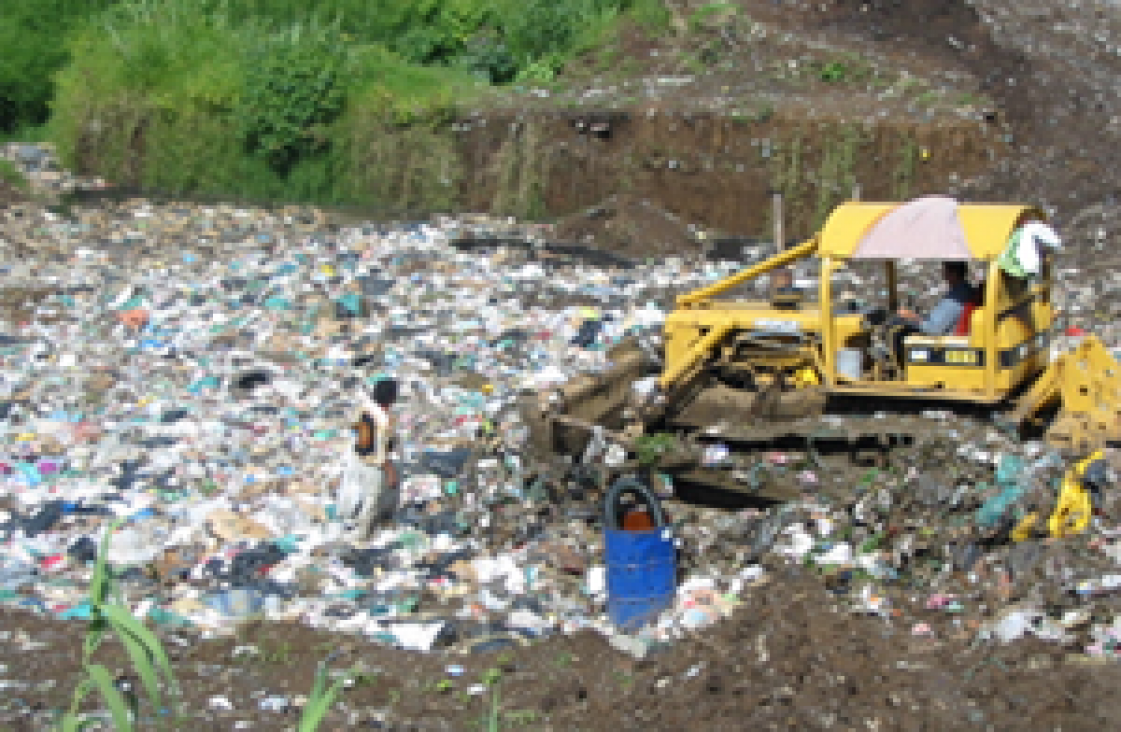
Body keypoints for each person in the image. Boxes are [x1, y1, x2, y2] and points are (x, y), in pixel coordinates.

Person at [887, 261, 978, 365]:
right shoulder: (966, 290)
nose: (944, 275)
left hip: (946, 347)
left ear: (953, 274)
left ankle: (900, 370)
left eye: (945, 271)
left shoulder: (956, 297)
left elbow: (934, 329)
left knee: (899, 334)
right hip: (951, 339)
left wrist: (911, 316)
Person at [350, 378, 400, 538]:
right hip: (373, 465)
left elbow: (354, 427)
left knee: (363, 498)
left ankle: (364, 529)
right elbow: (380, 451)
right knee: (371, 502)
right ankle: (361, 537)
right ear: (392, 397)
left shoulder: (365, 409)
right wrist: (390, 471)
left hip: (358, 459)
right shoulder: (383, 420)